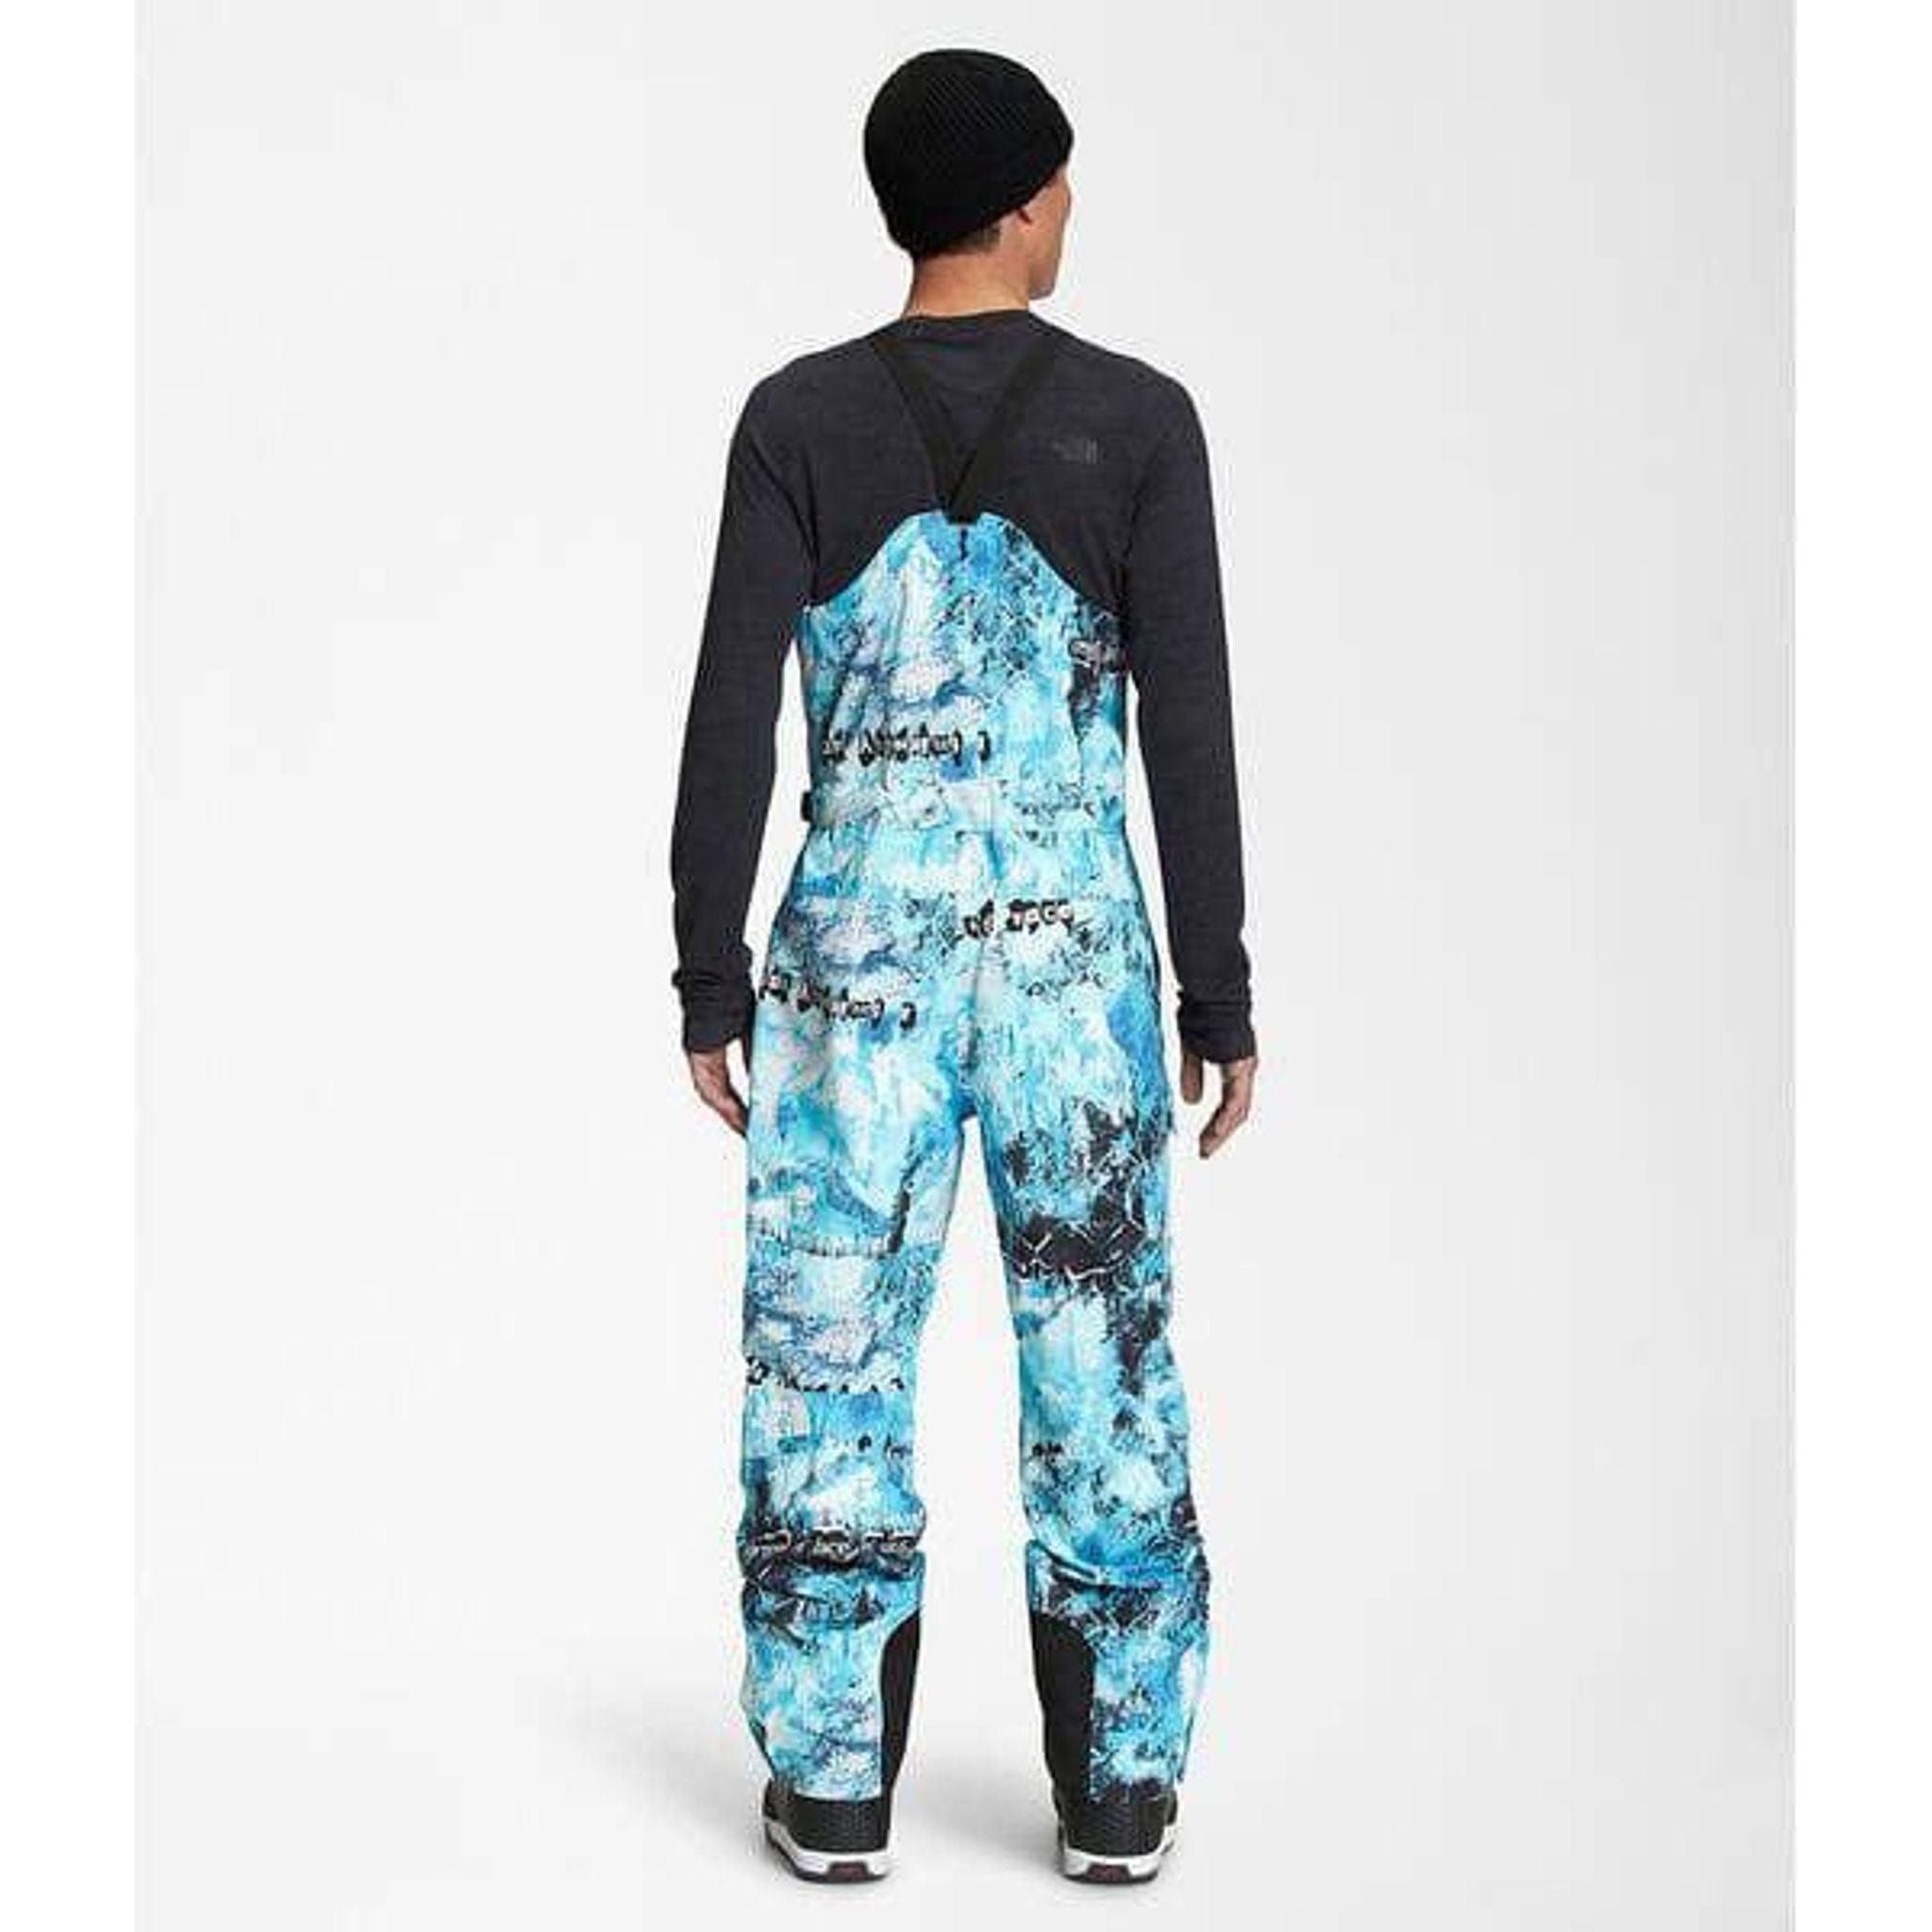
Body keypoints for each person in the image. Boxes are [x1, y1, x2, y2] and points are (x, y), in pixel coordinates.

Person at [670, 47, 1257, 1886]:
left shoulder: (795, 421)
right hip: (1076, 971)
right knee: (1102, 1352)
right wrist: (1217, 996)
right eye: (1059, 179)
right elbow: (1189, 735)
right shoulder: (1140, 423)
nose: (1070, 207)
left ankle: (835, 1781)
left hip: (855, 975)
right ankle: (1120, 1790)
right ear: (1016, 201)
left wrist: (708, 976)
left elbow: (727, 719)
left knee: (827, 1354)